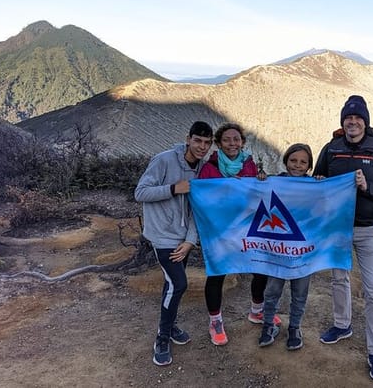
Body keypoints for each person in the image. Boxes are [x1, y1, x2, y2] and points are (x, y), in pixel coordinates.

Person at [313, 95, 373, 383]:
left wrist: (369, 187)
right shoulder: (332, 148)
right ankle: (342, 325)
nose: (352, 122)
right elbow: (317, 181)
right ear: (343, 121)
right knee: (339, 279)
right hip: (337, 228)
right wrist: (317, 183)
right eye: (348, 118)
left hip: (368, 229)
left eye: (357, 118)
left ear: (365, 121)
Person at [134, 121, 214, 366]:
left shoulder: (203, 170)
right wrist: (172, 188)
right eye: (198, 141)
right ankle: (162, 337)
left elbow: (195, 211)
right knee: (178, 284)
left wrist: (190, 241)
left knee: (171, 285)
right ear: (188, 138)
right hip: (162, 235)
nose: (202, 147)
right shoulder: (164, 160)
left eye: (207, 143)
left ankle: (171, 324)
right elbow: (141, 193)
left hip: (182, 237)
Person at [198, 122, 281, 346]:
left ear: (242, 142)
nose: (232, 143)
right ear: (219, 143)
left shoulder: (249, 165)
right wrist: (225, 186)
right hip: (220, 231)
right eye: (227, 140)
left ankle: (257, 310)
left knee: (260, 269)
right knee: (217, 275)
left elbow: (256, 195)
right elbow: (203, 199)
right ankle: (215, 321)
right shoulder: (209, 168)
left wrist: (261, 181)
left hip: (247, 228)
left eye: (236, 139)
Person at [258, 143, 314, 350]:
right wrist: (260, 182)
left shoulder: (314, 186)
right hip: (278, 250)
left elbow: (326, 205)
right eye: (293, 160)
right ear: (285, 161)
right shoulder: (276, 181)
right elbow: (255, 198)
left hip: (303, 250)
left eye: (303, 162)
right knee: (272, 289)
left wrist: (323, 184)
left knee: (300, 291)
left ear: (309, 166)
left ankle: (295, 328)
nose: (297, 166)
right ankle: (268, 324)